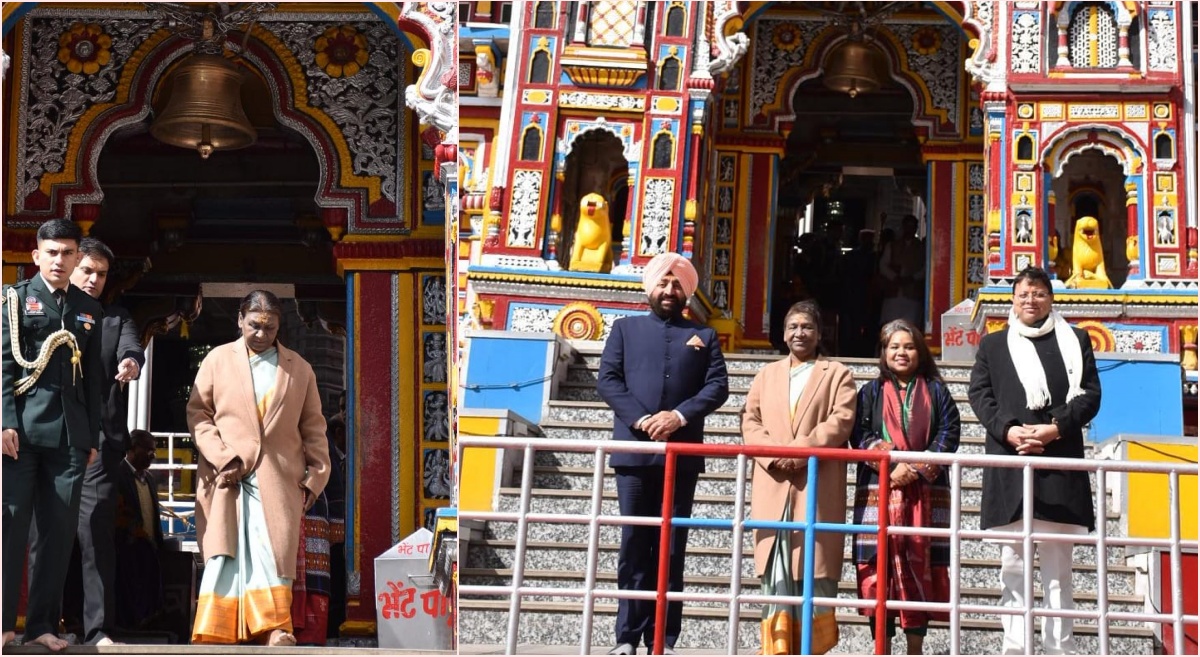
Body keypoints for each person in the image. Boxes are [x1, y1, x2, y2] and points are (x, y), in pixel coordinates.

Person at [596, 252, 729, 655]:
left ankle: (663, 637)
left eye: (677, 284)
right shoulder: (625, 329)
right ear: (650, 287)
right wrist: (642, 420)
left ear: (687, 291)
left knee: (672, 545)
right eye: (663, 283)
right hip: (634, 454)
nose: (669, 290)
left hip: (681, 454)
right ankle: (627, 636)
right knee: (634, 542)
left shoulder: (704, 337)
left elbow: (717, 386)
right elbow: (608, 380)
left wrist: (677, 416)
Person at [967, 266, 1101, 655]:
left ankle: (1060, 649)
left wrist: (1055, 428)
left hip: (1059, 463)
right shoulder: (993, 345)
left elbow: (1089, 394)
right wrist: (1008, 430)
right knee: (1013, 567)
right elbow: (980, 396)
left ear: (1051, 298)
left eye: (1039, 293)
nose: (1031, 300)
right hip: (1011, 463)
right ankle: (1016, 647)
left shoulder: (1075, 340)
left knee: (1059, 572)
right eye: (1024, 294)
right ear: (1013, 298)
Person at [188, 290, 331, 646]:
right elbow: (198, 416)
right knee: (224, 554)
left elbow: (314, 428)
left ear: (279, 325)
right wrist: (224, 457)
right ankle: (217, 629)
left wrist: (314, 480)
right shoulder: (217, 360)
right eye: (254, 325)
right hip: (227, 477)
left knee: (272, 555)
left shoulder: (299, 368)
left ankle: (274, 628)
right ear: (240, 320)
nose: (261, 334)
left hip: (279, 478)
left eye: (270, 327)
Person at [2, 218, 105, 651]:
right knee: (10, 527)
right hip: (21, 432)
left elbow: (93, 380)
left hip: (70, 437)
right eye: (53, 252)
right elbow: (5, 364)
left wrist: (93, 437)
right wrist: (4, 419)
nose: (60, 260)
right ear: (36, 255)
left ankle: (41, 625)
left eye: (68, 252)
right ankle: (5, 622)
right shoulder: (15, 300)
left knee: (58, 531)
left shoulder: (88, 308)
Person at [741, 300, 857, 655]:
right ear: (783, 333)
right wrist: (776, 455)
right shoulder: (767, 374)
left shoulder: (837, 373)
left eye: (807, 327)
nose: (799, 333)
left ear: (820, 334)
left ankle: (815, 648)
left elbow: (841, 420)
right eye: (793, 327)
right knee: (775, 573)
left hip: (815, 482)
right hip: (773, 481)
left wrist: (800, 451)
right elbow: (750, 420)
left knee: (815, 572)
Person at [850, 319, 961, 654]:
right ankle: (880, 644)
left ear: (920, 352)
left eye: (909, 346)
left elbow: (949, 433)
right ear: (883, 353)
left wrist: (915, 466)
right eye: (894, 347)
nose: (902, 353)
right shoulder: (869, 393)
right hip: (878, 488)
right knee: (876, 565)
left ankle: (916, 648)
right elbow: (860, 434)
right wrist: (891, 465)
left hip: (925, 493)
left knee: (920, 563)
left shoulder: (938, 391)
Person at [56, 237, 144, 646]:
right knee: (47, 535)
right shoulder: (47, 317)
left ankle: (98, 631)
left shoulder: (116, 319)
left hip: (100, 449)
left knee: (95, 538)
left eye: (101, 274)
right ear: (70, 266)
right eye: (87, 270)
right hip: (51, 444)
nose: (93, 279)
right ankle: (42, 623)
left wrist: (131, 362)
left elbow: (131, 348)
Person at [291, 421, 346, 646]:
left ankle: (309, 637)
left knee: (313, 579)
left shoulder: (317, 431)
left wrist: (336, 525)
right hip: (284, 509)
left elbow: (332, 480)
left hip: (312, 512)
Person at [113, 429, 164, 631]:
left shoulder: (150, 479)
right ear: (133, 449)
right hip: (126, 548)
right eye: (149, 450)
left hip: (150, 547)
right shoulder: (117, 474)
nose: (153, 455)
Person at [879, 215, 925, 328]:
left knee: (910, 327)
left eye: (912, 226)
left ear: (916, 228)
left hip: (913, 294)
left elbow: (926, 268)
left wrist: (913, 278)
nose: (909, 229)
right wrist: (894, 277)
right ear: (903, 227)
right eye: (907, 226)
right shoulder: (892, 245)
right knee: (891, 326)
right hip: (893, 292)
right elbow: (883, 265)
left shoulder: (922, 247)